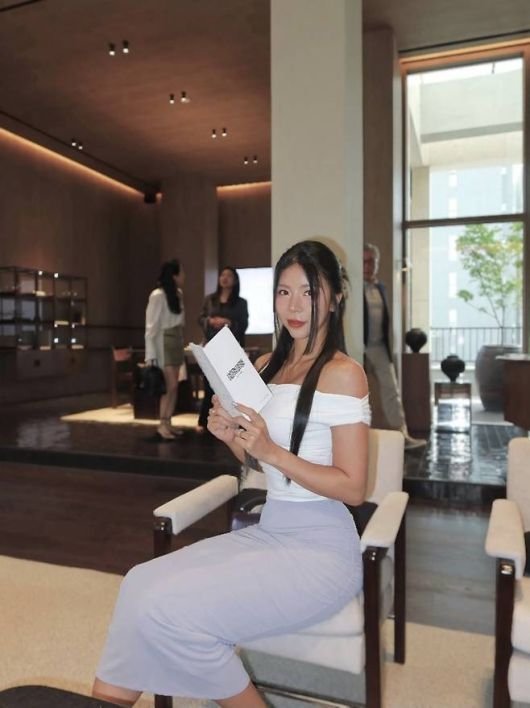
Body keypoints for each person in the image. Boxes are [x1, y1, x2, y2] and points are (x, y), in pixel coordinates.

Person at [92, 240, 370, 708]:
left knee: (173, 613)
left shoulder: (345, 373)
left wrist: (271, 450)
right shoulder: (265, 366)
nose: (295, 306)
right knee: (138, 584)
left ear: (336, 298)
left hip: (321, 552)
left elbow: (354, 487)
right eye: (284, 292)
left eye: (310, 292)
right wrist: (232, 439)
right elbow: (259, 461)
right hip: (272, 531)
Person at [363, 242, 426, 449]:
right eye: (365, 261)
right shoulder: (352, 288)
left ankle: (402, 436)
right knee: (357, 394)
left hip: (380, 347)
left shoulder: (380, 287)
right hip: (359, 347)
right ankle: (358, 440)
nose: (369, 266)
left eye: (373, 261)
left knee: (391, 390)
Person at [196, 266, 249, 432]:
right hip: (211, 347)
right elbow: (200, 319)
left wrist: (229, 323)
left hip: (230, 349)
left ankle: (231, 421)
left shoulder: (241, 303)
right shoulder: (210, 300)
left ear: (235, 280)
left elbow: (244, 325)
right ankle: (205, 421)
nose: (225, 278)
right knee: (209, 385)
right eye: (222, 275)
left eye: (229, 275)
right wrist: (211, 321)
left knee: (230, 387)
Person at [144, 259, 185, 441]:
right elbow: (151, 327)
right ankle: (162, 424)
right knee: (170, 385)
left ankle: (168, 422)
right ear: (174, 275)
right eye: (181, 272)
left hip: (176, 339)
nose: (184, 276)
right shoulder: (157, 295)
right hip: (164, 340)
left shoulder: (178, 294)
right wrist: (150, 355)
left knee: (175, 386)